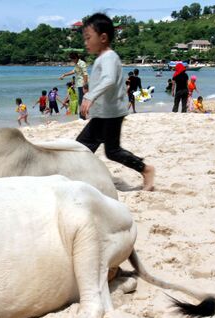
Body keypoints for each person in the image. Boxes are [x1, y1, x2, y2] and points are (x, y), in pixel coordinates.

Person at [77, 13, 155, 191]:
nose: (85, 42)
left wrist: (89, 96)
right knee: (89, 149)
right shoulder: (102, 58)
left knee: (87, 149)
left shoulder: (109, 57)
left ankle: (147, 170)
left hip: (111, 114)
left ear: (103, 38)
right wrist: (90, 91)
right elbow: (104, 81)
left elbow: (109, 79)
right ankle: (81, 179)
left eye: (88, 38)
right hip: (105, 113)